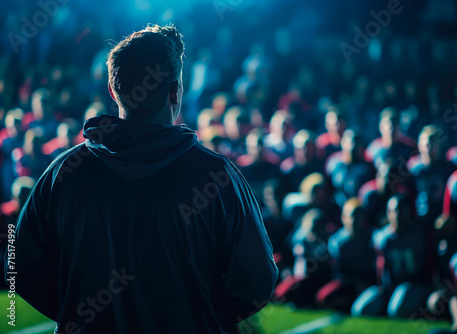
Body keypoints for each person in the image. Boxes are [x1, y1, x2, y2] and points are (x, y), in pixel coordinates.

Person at [7, 24, 278, 334]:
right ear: (176, 90)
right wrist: (203, 316)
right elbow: (258, 279)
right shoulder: (217, 176)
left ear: (112, 90)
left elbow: (18, 263)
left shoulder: (63, 172)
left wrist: (79, 313)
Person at [352, 194, 435, 318]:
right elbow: (381, 271)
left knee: (396, 310)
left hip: (414, 285)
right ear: (387, 213)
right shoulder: (382, 238)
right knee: (359, 310)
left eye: (402, 211)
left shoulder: (420, 235)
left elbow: (429, 267)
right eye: (393, 211)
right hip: (389, 288)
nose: (397, 215)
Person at [316, 199, 376, 312]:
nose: (354, 220)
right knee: (324, 298)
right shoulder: (337, 241)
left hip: (369, 282)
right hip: (348, 283)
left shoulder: (373, 238)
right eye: (351, 216)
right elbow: (339, 272)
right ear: (344, 218)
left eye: (358, 216)